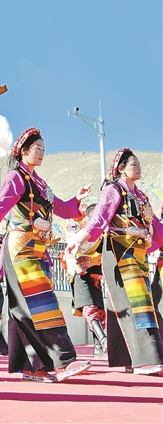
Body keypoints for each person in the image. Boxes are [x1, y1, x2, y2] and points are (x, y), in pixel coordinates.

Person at [0, 127, 92, 382]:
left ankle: (33, 367)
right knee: (42, 305)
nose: (42, 153)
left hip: (38, 251)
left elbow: (61, 207)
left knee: (26, 309)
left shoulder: (40, 182)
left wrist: (76, 200)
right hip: (21, 250)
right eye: (37, 148)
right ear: (23, 151)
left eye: (44, 149)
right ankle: (62, 361)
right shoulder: (16, 177)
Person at [65, 149, 163, 375]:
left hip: (138, 254)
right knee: (136, 303)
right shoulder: (113, 190)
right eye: (134, 164)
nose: (138, 167)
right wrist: (78, 241)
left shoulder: (141, 196)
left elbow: (156, 228)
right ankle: (146, 359)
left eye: (139, 164)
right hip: (119, 251)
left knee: (128, 304)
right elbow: (99, 219)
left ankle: (128, 358)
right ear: (121, 169)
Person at [63, 203, 107, 358]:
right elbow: (68, 253)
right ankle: (103, 339)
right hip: (80, 276)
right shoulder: (78, 233)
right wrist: (76, 265)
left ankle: (98, 348)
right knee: (90, 309)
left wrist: (94, 261)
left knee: (100, 312)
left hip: (96, 277)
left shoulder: (104, 234)